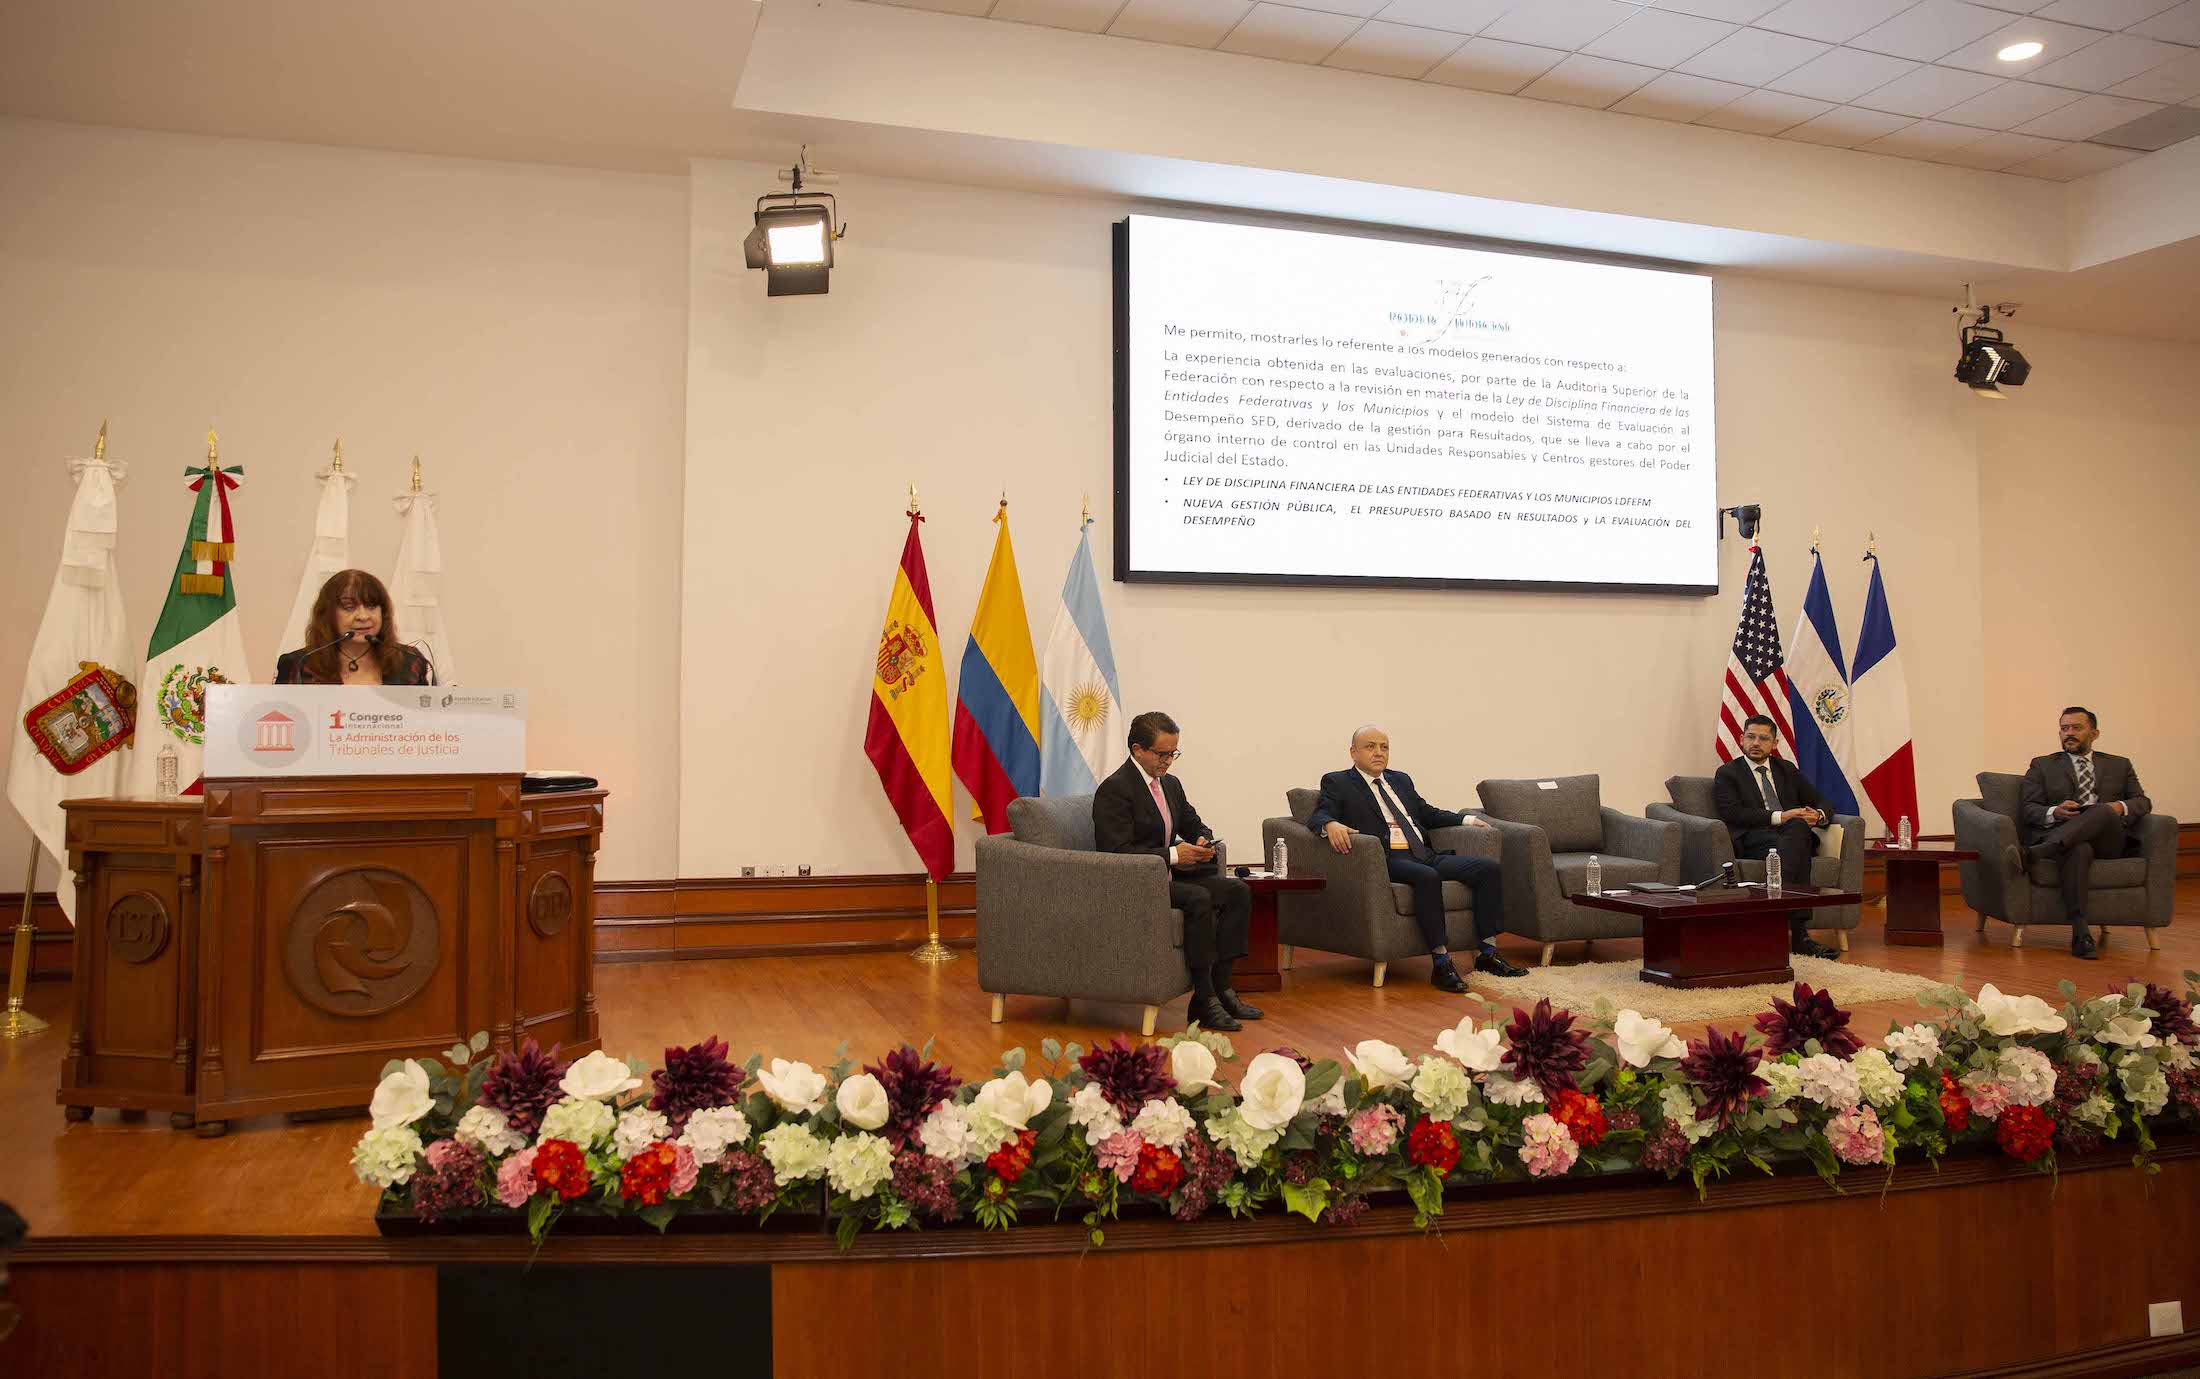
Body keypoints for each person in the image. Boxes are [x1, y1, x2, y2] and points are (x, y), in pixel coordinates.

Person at [1308, 724, 1524, 989]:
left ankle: (1487, 953)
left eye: (1384, 747)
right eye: (1370, 746)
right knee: (1427, 877)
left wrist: (1467, 819)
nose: (1379, 752)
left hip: (1423, 853)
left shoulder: (1400, 779)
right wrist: (1329, 824)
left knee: (1487, 869)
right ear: (1353, 752)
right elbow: (1319, 814)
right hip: (1388, 859)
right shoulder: (1338, 781)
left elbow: (1426, 813)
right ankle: (1441, 961)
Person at [1092, 711, 1256, 1032]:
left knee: (1237, 890)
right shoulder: (1115, 789)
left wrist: (1202, 838)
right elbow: (1117, 853)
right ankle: (1203, 999)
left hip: (1166, 874)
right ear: (1138, 749)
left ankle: (1223, 988)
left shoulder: (1170, 784)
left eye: (1173, 753)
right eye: (1162, 754)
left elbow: (1193, 822)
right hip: (1135, 882)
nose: (1169, 760)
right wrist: (1173, 854)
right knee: (1197, 899)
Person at [2020, 706, 2150, 960]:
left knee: (2101, 812)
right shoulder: (2043, 765)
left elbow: (2142, 803)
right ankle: (2081, 933)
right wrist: (2055, 811)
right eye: (2064, 728)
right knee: (2079, 849)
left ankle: (2043, 850)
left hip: (2109, 839)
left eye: (2076, 728)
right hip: (2067, 837)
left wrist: (2118, 807)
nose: (2069, 733)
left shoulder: (2119, 765)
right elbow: (2028, 809)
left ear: (2095, 733)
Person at [1712, 715, 1840, 960]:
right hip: (1753, 838)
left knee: (1797, 831)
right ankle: (1800, 936)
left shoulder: (1786, 770)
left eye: (1763, 738)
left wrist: (1819, 814)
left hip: (1791, 837)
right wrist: (1781, 817)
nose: (1756, 743)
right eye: (1750, 737)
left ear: (1775, 743)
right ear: (1741, 739)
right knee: (1797, 836)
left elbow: (1822, 800)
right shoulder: (1728, 773)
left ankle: (1773, 925)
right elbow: (1733, 813)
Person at [273, 569, 435, 686]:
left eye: (371, 606)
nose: (363, 616)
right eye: (349, 608)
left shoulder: (410, 661)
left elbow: (424, 723)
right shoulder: (299, 664)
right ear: (329, 615)